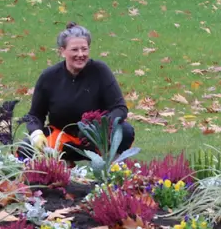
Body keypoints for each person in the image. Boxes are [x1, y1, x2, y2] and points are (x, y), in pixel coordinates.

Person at [19, 24, 134, 157]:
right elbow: (34, 115)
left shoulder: (100, 71)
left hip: (96, 138)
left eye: (84, 49)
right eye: (74, 50)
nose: (81, 54)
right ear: (62, 51)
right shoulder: (49, 77)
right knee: (26, 147)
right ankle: (59, 167)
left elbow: (120, 108)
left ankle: (111, 167)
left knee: (125, 131)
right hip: (62, 138)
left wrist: (100, 127)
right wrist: (36, 134)